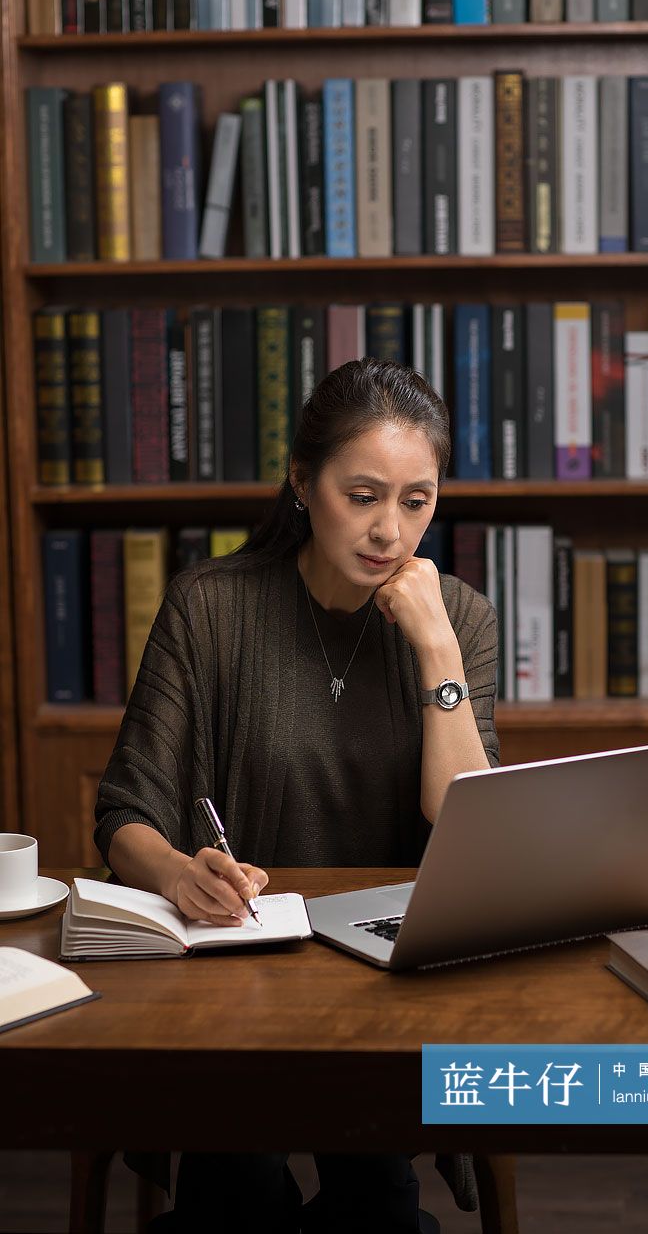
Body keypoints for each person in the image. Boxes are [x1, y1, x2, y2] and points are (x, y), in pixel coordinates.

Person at [94, 357, 500, 1233]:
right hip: (236, 972)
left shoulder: (457, 615)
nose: (389, 531)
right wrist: (174, 872)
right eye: (362, 495)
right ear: (301, 483)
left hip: (386, 981)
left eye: (416, 500)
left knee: (378, 1211)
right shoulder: (211, 606)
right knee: (232, 1196)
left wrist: (435, 651)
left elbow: (470, 822)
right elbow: (125, 811)